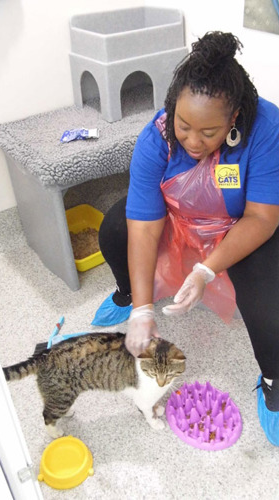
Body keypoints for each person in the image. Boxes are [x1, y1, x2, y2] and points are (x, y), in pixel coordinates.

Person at [91, 32, 279, 446]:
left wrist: (206, 269)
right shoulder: (156, 136)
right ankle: (128, 293)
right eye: (184, 126)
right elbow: (142, 223)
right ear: (171, 109)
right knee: (115, 228)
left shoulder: (265, 128)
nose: (193, 142)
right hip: (181, 221)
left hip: (236, 229)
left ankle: (273, 378)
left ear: (234, 120)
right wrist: (142, 310)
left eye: (209, 132)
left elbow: (262, 217)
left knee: (271, 295)